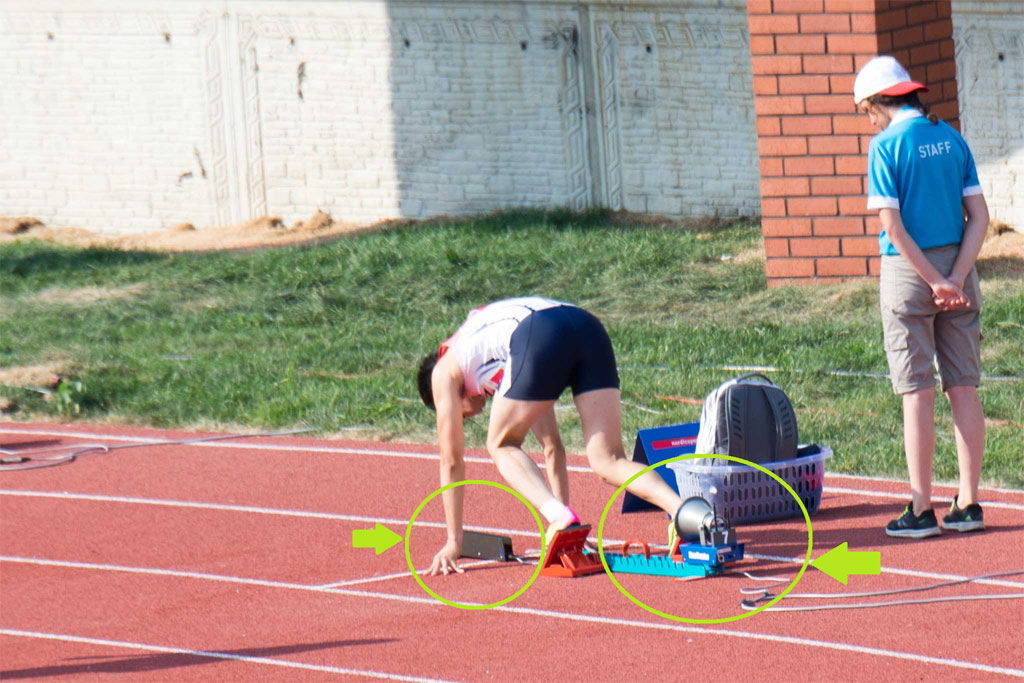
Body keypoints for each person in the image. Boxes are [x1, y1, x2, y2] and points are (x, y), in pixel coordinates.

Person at [417, 296, 685, 575]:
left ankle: (558, 517)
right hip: (585, 325)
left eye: (456, 414)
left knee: (501, 444)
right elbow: (552, 447)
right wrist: (570, 534)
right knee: (609, 460)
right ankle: (685, 514)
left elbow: (451, 460)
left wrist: (453, 542)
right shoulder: (494, 353)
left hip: (539, 331)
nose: (464, 417)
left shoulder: (443, 370)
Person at [853, 56, 989, 538]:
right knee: (964, 385)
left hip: (909, 273)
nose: (867, 118)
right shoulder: (951, 138)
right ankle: (969, 502)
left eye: (865, 109)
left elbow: (892, 224)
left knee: (916, 390)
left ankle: (920, 508)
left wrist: (933, 280)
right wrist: (955, 275)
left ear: (877, 103)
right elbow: (980, 217)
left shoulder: (884, 146)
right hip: (960, 266)